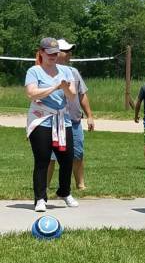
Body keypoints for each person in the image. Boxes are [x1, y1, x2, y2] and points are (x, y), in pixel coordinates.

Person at [25, 37, 79, 212]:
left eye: (56, 53)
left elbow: (72, 96)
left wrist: (65, 88)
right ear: (41, 52)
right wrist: (55, 87)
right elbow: (32, 94)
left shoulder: (66, 71)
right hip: (41, 120)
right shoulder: (34, 71)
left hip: (62, 120)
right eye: (49, 53)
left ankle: (64, 192)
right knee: (43, 160)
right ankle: (40, 198)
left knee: (67, 158)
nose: (53, 56)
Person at [47, 39, 94, 190]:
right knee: (50, 157)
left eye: (70, 51)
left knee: (78, 154)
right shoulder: (47, 72)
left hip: (74, 122)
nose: (70, 54)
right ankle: (45, 186)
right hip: (54, 122)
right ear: (56, 53)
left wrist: (89, 116)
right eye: (66, 51)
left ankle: (80, 184)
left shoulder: (74, 72)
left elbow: (82, 95)